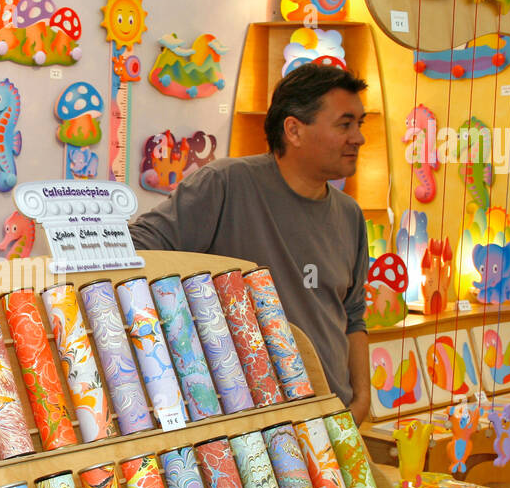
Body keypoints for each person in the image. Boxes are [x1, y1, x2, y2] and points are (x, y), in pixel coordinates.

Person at [128, 62, 371, 424]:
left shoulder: (350, 215)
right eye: (344, 124)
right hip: (245, 427)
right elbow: (138, 247)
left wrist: (362, 398)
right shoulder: (226, 185)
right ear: (294, 130)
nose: (358, 137)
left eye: (359, 125)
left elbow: (353, 317)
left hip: (333, 419)